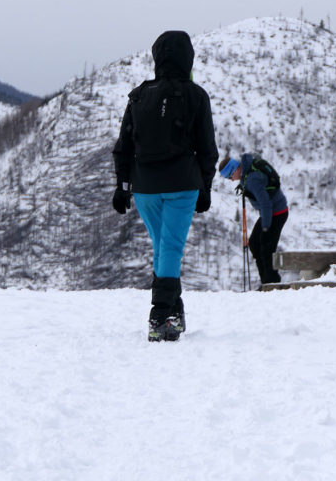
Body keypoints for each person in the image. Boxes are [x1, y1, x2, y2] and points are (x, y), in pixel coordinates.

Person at [112, 30, 218, 342]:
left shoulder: (138, 95)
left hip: (144, 188)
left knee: (163, 246)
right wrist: (206, 187)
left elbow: (123, 147)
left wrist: (122, 186)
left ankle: (175, 308)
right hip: (182, 184)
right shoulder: (196, 96)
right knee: (170, 247)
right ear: (188, 58)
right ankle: (161, 315)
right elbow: (207, 150)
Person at [219, 153, 288, 286]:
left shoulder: (251, 179)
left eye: (230, 176)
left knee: (266, 248)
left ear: (235, 170)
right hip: (269, 213)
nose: (231, 180)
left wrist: (266, 226)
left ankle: (272, 285)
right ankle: (266, 283)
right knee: (255, 244)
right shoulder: (246, 175)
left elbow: (266, 203)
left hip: (276, 213)